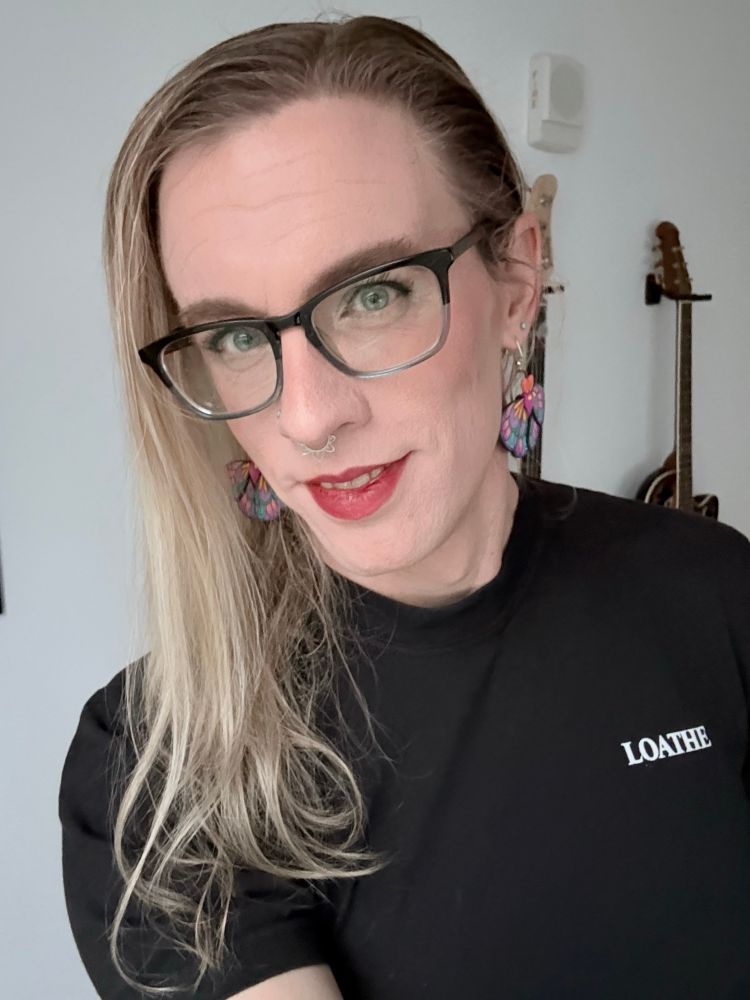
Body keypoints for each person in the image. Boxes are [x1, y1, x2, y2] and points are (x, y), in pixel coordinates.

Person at [58, 13, 750, 1000]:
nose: (309, 417)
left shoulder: (713, 590)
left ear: (517, 282)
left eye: (374, 295)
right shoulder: (161, 761)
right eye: (238, 337)